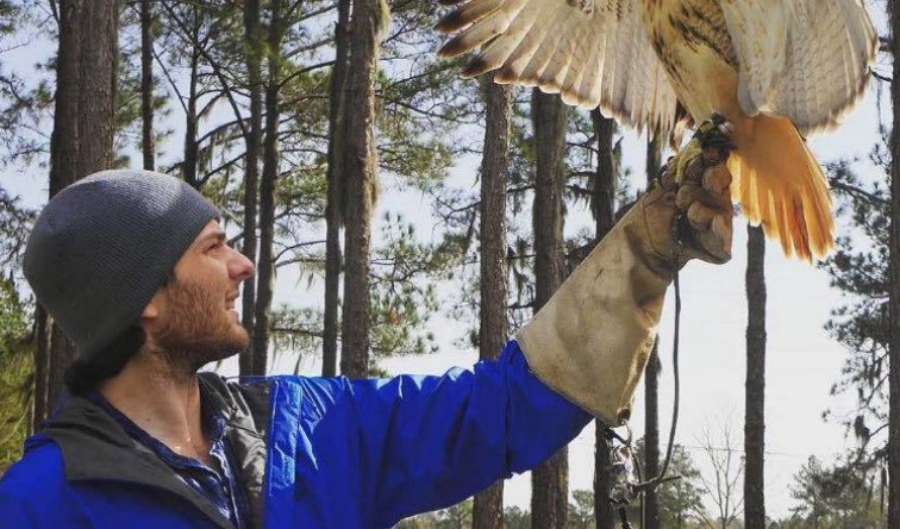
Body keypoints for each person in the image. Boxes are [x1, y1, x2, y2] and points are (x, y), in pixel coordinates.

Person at [0, 124, 733, 529]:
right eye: (213, 247)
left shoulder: (307, 430)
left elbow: (499, 411)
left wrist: (642, 257)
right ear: (145, 299)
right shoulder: (40, 504)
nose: (244, 266)